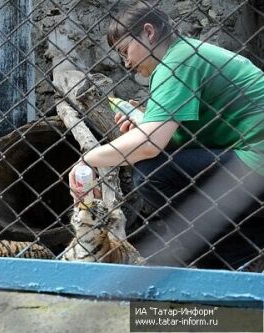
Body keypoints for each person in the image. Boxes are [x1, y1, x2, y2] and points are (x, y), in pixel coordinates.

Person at [69, 1, 264, 269]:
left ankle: (225, 254)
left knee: (151, 172)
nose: (126, 63)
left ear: (148, 32)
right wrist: (145, 126)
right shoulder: (183, 55)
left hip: (255, 161)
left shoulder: (178, 60)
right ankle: (235, 254)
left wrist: (89, 160)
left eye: (126, 51)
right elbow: (167, 138)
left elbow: (150, 146)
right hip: (249, 160)